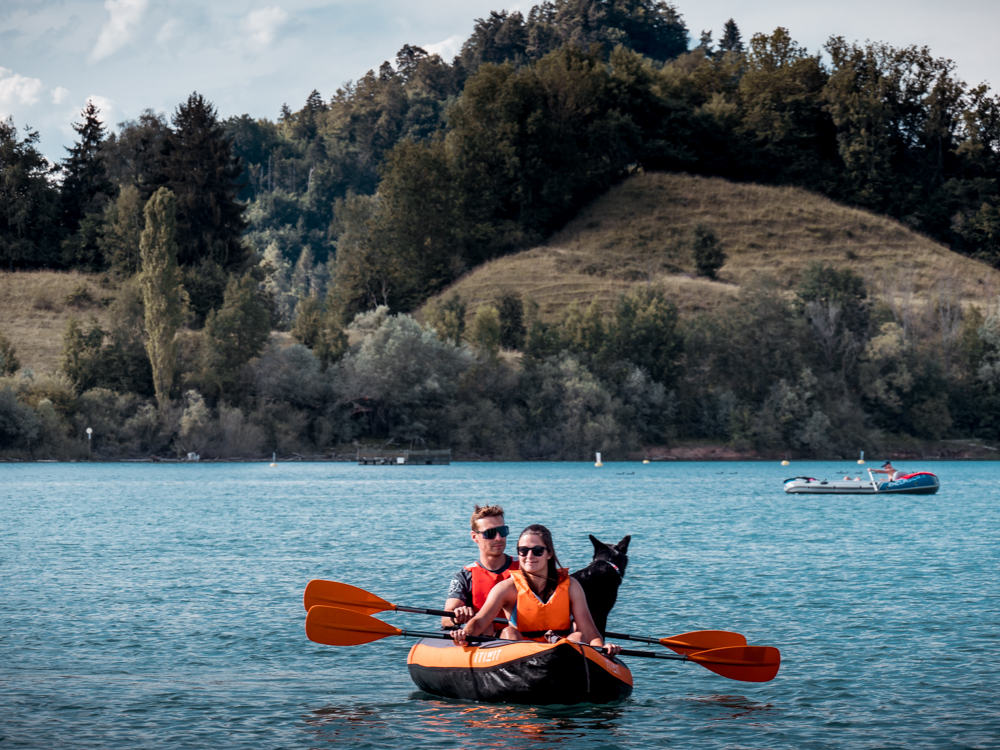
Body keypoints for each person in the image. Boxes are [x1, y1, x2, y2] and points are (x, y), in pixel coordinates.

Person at [450, 524, 621, 657]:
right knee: (509, 632)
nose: (529, 556)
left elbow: (590, 632)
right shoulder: (506, 588)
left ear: (549, 554)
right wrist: (463, 634)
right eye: (523, 551)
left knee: (578, 637)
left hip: (559, 653)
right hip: (520, 656)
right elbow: (480, 621)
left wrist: (603, 650)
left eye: (537, 551)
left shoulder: (571, 586)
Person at [441, 504, 518, 629]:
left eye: (502, 531)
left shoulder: (525, 566)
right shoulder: (465, 576)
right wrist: (458, 616)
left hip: (521, 637)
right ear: (474, 536)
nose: (498, 538)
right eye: (490, 533)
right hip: (485, 638)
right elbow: (446, 618)